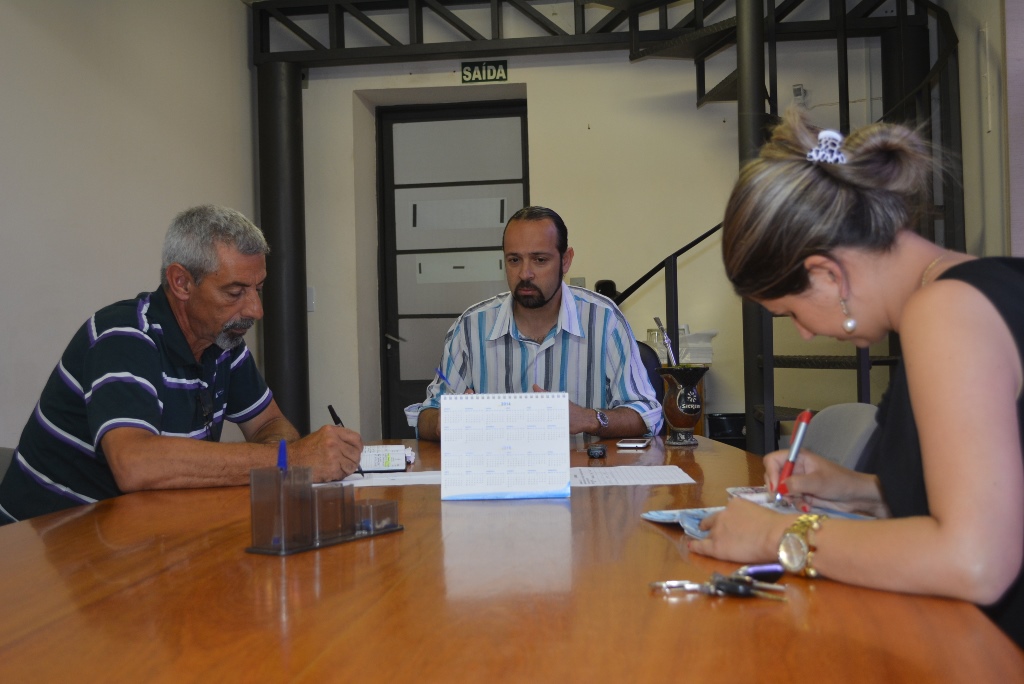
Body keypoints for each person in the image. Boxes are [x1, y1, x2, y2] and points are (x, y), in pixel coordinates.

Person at [688, 108, 1024, 648]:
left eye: (791, 313)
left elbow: (976, 561)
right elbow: (993, 497)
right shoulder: (982, 285)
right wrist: (858, 490)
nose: (802, 334)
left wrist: (776, 535)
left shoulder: (945, 314)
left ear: (825, 273)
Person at [0, 205, 363, 524]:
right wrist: (289, 460)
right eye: (235, 292)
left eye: (258, 290)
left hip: (134, 539)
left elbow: (269, 422)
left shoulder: (223, 341)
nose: (255, 310)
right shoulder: (124, 336)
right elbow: (136, 463)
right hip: (42, 552)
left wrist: (283, 455)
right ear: (181, 283)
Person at [406, 205, 662, 440]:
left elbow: (647, 415)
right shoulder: (471, 327)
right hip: (499, 478)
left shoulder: (604, 320)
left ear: (565, 260)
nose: (524, 274)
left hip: (585, 478)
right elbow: (427, 415)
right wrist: (445, 421)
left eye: (540, 260)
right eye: (514, 260)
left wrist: (587, 419)